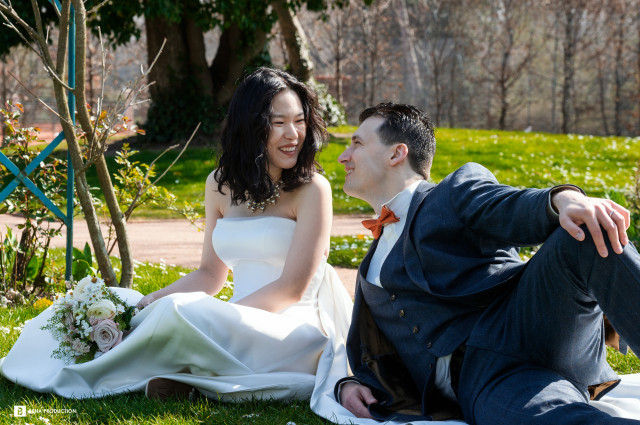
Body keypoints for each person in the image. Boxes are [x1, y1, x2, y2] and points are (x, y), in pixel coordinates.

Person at [0, 67, 352, 404]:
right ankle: (182, 375)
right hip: (231, 320)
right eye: (278, 123)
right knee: (121, 300)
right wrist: (149, 301)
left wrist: (217, 316)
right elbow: (210, 275)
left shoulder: (312, 190)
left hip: (289, 329)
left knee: (182, 313)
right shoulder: (219, 185)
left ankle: (188, 374)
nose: (293, 135)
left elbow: (292, 288)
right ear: (252, 127)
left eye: (299, 121)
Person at [331, 102, 640, 425]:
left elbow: (502, 204)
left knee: (587, 233)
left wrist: (560, 199)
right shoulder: (370, 265)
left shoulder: (453, 192)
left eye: (357, 143)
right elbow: (372, 349)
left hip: (527, 320)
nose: (343, 156)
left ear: (396, 154)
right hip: (486, 380)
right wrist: (350, 381)